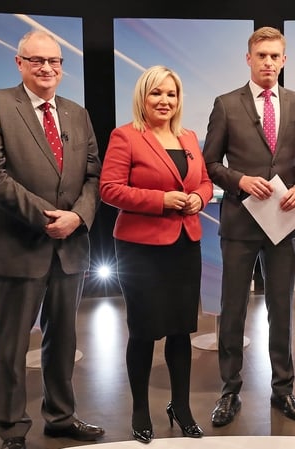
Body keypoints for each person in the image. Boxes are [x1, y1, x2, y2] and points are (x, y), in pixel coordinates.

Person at [0, 30, 103, 449]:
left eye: (55, 62)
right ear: (19, 63)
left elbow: (92, 175)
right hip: (18, 246)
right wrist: (49, 218)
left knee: (63, 339)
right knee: (12, 346)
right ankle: (11, 428)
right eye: (37, 61)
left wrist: (78, 217)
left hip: (70, 248)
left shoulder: (77, 113)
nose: (47, 68)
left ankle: (61, 416)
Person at [203, 26, 295, 427]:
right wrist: (238, 180)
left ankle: (283, 391)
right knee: (232, 310)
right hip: (239, 223)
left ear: (284, 60)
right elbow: (210, 163)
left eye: (275, 56)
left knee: (281, 310)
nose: (268, 62)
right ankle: (229, 392)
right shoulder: (225, 104)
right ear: (248, 59)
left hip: (282, 224)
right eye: (262, 55)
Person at [100, 65, 213, 444]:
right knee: (145, 332)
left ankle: (180, 407)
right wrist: (160, 200)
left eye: (171, 94)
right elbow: (110, 189)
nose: (165, 101)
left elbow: (206, 181)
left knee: (181, 331)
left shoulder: (189, 137)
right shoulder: (126, 136)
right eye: (157, 93)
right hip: (140, 249)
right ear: (142, 97)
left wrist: (200, 197)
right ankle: (140, 410)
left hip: (185, 245)